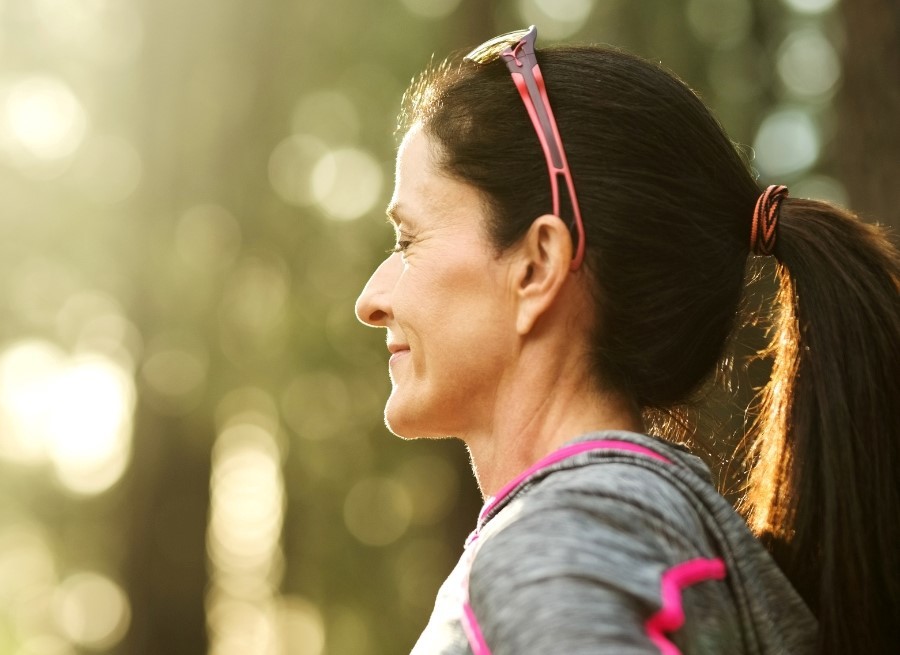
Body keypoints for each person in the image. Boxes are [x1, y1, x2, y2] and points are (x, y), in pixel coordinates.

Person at [354, 26, 899, 655]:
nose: (370, 301)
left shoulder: (556, 550)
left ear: (537, 267)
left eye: (407, 241)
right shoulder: (661, 531)